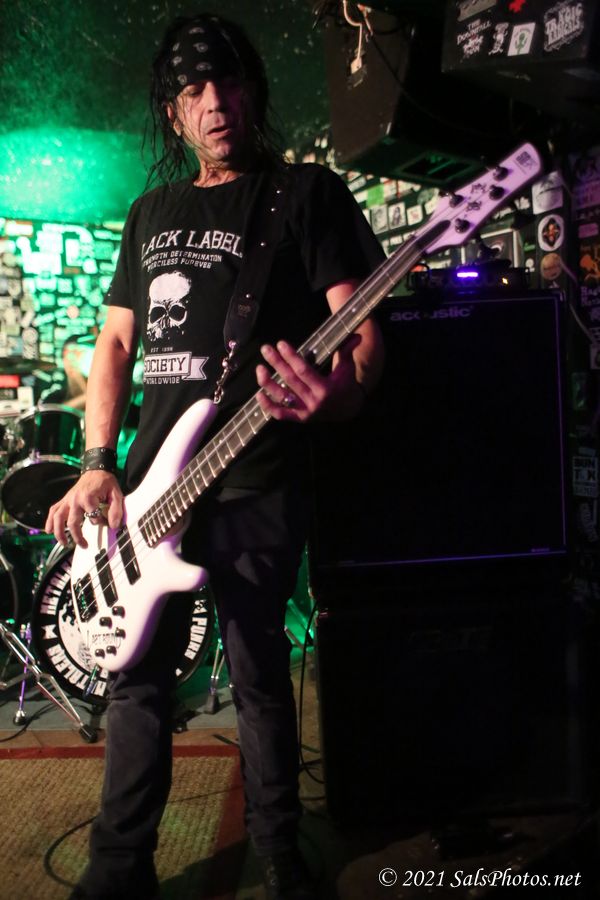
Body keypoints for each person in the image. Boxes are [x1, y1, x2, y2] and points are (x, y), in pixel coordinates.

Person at [46, 13, 384, 900]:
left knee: (259, 669)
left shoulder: (302, 195)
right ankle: (119, 868)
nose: (215, 103)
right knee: (137, 682)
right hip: (150, 490)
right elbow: (115, 345)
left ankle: (279, 857)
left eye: (228, 83)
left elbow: (363, 336)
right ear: (173, 112)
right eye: (194, 90)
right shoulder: (150, 212)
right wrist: (97, 460)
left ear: (252, 92)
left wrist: (339, 397)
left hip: (257, 476)